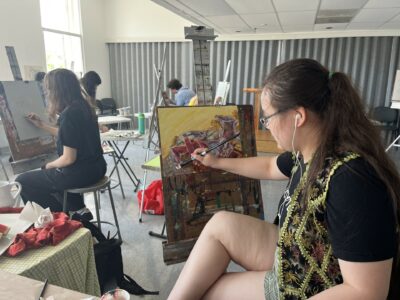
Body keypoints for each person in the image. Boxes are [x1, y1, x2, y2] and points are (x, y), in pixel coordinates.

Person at [168, 58, 400, 300]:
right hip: (300, 252)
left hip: (319, 284)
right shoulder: (310, 151)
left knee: (210, 293)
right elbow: (270, 166)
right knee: (220, 225)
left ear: (298, 116)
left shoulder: (352, 181)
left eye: (267, 117)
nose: (265, 125)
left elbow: (366, 292)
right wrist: (216, 162)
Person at [16, 68, 107, 219]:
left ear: (56, 91)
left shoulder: (69, 114)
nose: (47, 94)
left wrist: (48, 166)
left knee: (22, 181)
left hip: (81, 174)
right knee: (55, 175)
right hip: (98, 168)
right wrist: (41, 125)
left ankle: (62, 216)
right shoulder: (84, 107)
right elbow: (69, 136)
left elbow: (68, 158)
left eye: (48, 90)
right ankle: (77, 209)